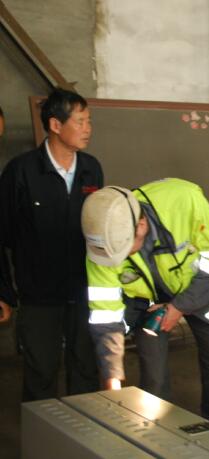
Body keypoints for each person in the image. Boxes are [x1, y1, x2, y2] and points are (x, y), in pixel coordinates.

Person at [81, 178, 209, 429]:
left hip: (201, 289)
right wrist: (112, 376)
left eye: (123, 250)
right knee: (153, 375)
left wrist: (179, 307)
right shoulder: (101, 247)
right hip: (148, 303)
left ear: (141, 226)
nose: (117, 258)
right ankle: (157, 433)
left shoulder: (185, 200)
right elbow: (105, 316)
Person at [0, 88, 102, 401]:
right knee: (41, 373)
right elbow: (2, 235)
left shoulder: (91, 168)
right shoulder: (21, 171)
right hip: (39, 295)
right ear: (56, 125)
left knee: (85, 370)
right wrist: (4, 292)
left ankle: (83, 430)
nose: (87, 128)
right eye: (80, 121)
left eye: (89, 121)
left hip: (84, 290)